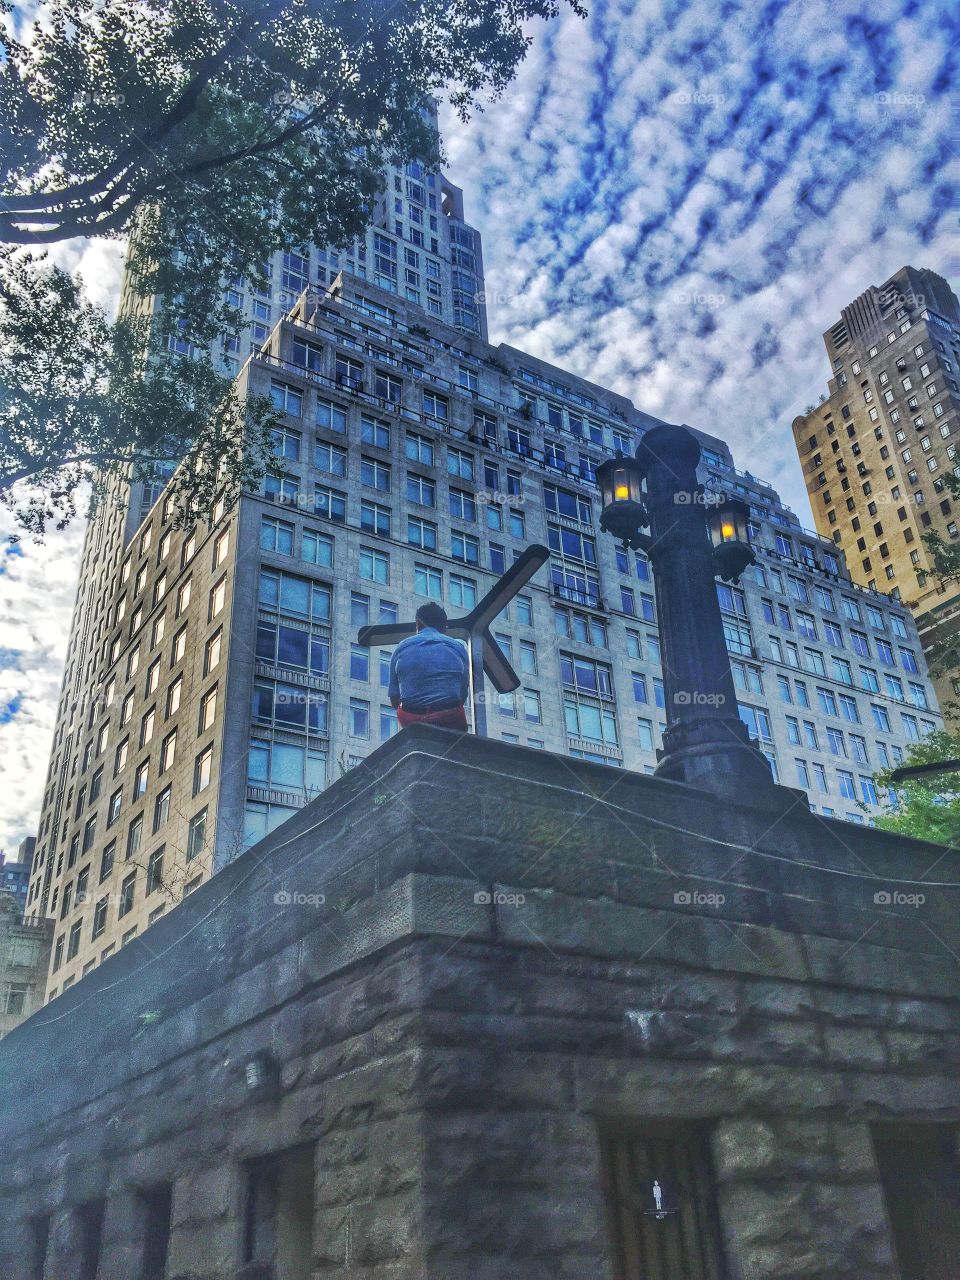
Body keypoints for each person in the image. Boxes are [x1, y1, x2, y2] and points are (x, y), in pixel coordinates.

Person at [388, 603, 470, 731]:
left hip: (413, 717)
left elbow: (394, 699)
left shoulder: (401, 647)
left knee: (401, 711)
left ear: (418, 624)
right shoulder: (459, 646)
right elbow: (462, 693)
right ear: (444, 627)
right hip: (448, 715)